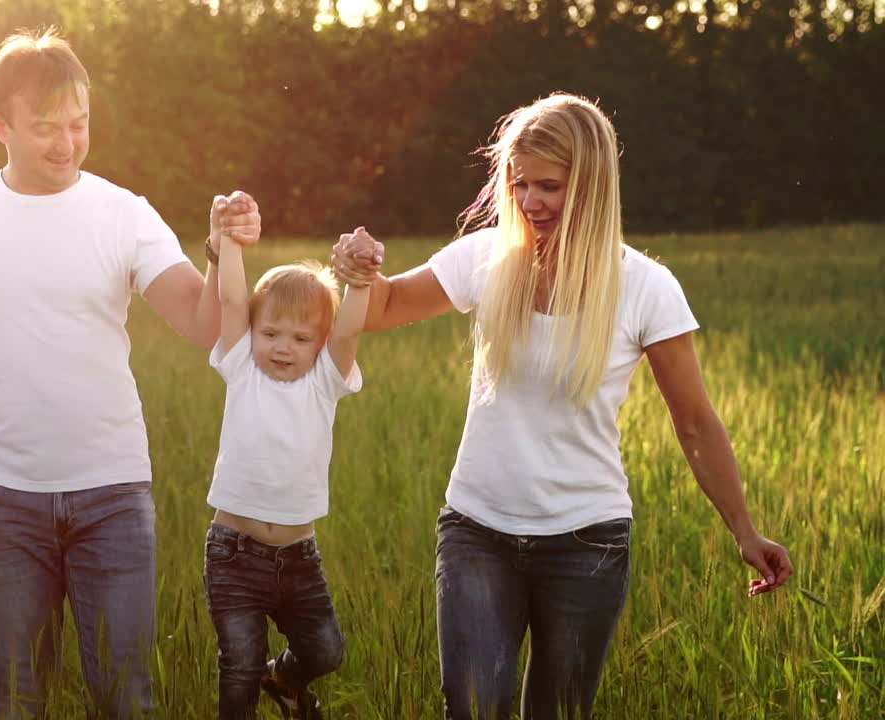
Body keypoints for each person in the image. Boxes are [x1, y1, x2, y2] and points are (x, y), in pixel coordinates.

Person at [331, 93, 793, 720]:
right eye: (519, 185)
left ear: (594, 184)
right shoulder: (486, 258)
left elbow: (694, 422)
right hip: (476, 530)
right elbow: (381, 308)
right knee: (472, 707)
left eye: (548, 186)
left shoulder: (646, 288)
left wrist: (744, 529)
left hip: (588, 543)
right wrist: (357, 271)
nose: (528, 202)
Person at [0, 29, 261, 719]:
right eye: (45, 128)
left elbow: (205, 327)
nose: (66, 144)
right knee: (16, 696)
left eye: (78, 125)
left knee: (126, 698)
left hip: (111, 493)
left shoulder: (124, 215)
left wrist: (223, 251)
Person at [201, 207, 375, 719]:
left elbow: (346, 334)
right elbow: (233, 297)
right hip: (233, 553)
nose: (282, 347)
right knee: (238, 666)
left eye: (301, 339)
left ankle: (282, 678)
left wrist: (360, 281)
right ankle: (255, 685)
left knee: (326, 651)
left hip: (299, 557)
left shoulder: (325, 381)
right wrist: (230, 240)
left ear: (319, 346)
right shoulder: (241, 367)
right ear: (252, 330)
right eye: (271, 332)